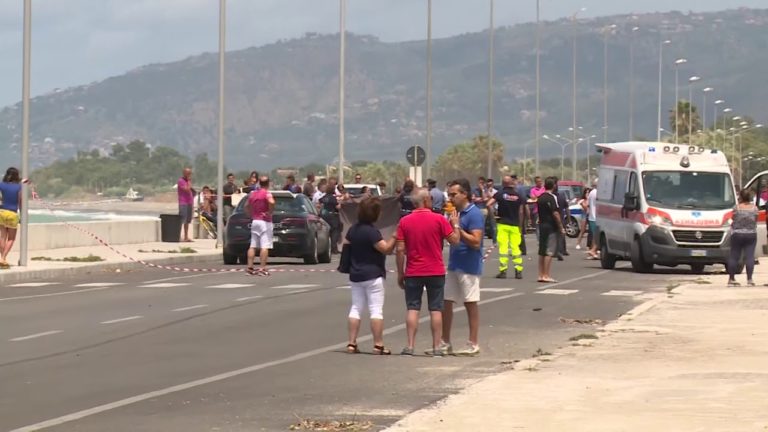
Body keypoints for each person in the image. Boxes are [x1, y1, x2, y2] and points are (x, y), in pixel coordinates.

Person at [396, 188, 460, 356]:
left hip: (413, 270)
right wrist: (455, 225)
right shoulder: (439, 219)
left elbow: (400, 250)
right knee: (436, 309)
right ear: (425, 200)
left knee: (412, 308)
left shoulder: (405, 221)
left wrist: (400, 272)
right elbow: (455, 240)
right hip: (435, 270)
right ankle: (437, 346)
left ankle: (410, 345)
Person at [344, 197, 398, 355]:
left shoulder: (352, 230)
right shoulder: (372, 232)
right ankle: (378, 345)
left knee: (356, 308)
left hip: (355, 274)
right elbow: (386, 249)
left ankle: (351, 343)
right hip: (373, 274)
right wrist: (395, 236)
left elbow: (347, 246)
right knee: (376, 310)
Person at [442, 178, 485, 356]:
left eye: (454, 194)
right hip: (454, 264)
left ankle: (473, 342)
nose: (451, 198)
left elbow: (476, 241)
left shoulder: (474, 214)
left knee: (470, 303)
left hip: (469, 266)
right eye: (449, 194)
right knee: (446, 302)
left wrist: (457, 227)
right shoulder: (454, 213)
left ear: (464, 194)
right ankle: (445, 341)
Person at [486, 175, 525, 280]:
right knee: (515, 248)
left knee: (503, 248)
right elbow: (521, 211)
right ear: (511, 183)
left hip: (503, 223)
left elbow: (489, 204)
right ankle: (518, 271)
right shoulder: (518, 196)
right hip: (515, 225)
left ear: (503, 184)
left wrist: (493, 215)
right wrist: (520, 226)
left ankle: (503, 271)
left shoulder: (499, 194)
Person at [537, 177, 565, 283]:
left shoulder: (540, 197)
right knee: (549, 251)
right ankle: (546, 275)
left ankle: (540, 274)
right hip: (550, 227)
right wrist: (561, 227)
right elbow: (555, 213)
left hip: (542, 225)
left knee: (542, 251)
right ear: (554, 186)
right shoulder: (552, 197)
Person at [245, 176, 275, 276]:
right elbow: (271, 202)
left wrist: (250, 213)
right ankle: (262, 268)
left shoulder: (253, 194)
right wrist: (270, 212)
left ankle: (250, 267)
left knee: (252, 245)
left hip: (255, 221)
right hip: (264, 221)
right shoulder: (267, 193)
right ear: (268, 183)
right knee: (264, 246)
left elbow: (246, 205)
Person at [728, 189, 759, 286]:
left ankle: (731, 279)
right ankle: (749, 279)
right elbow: (755, 220)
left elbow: (732, 219)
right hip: (751, 234)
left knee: (734, 256)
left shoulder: (736, 208)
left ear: (740, 197)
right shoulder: (754, 208)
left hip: (737, 234)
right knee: (749, 256)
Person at [0, 167, 23, 268]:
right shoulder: (19, 187)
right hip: (12, 213)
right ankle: (3, 258)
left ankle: (2, 258)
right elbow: (20, 201)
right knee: (11, 238)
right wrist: (22, 215)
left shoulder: (1, 185)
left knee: (2, 237)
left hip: (2, 211)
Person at [320, 178, 342, 254]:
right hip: (332, 216)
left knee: (326, 232)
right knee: (335, 231)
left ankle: (327, 248)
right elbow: (337, 207)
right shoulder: (333, 198)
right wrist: (340, 204)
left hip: (324, 217)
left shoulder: (324, 197)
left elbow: (319, 202)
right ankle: (334, 248)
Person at [553, 179, 571, 261]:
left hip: (554, 218)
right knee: (561, 235)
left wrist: (568, 217)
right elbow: (566, 208)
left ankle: (559, 251)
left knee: (557, 236)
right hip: (560, 218)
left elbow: (566, 207)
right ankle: (561, 250)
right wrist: (568, 218)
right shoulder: (561, 196)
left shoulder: (554, 196)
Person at [177, 167, 194, 242]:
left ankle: (186, 236)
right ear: (184, 173)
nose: (189, 175)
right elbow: (187, 189)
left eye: (190, 173)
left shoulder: (188, 181)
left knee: (187, 220)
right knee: (182, 220)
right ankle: (177, 236)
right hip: (183, 203)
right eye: (188, 173)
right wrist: (189, 182)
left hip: (189, 202)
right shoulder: (181, 181)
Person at [586, 179, 600, 260]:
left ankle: (592, 252)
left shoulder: (591, 192)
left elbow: (588, 204)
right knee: (597, 236)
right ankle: (593, 250)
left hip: (591, 216)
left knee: (594, 236)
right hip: (595, 217)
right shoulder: (597, 193)